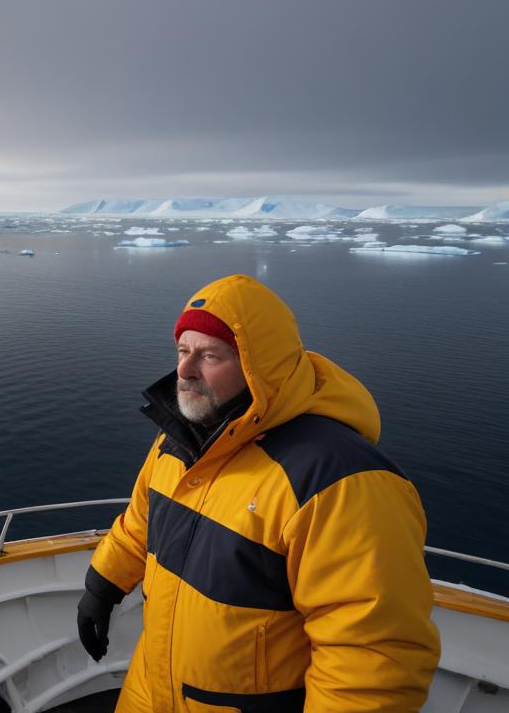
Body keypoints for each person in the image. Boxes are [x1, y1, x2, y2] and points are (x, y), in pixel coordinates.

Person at [75, 274, 440, 712]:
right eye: (182, 351)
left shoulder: (337, 480)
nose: (185, 371)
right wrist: (103, 585)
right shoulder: (180, 439)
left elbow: (371, 654)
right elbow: (142, 520)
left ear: (258, 365)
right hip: (152, 693)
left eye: (209, 355)